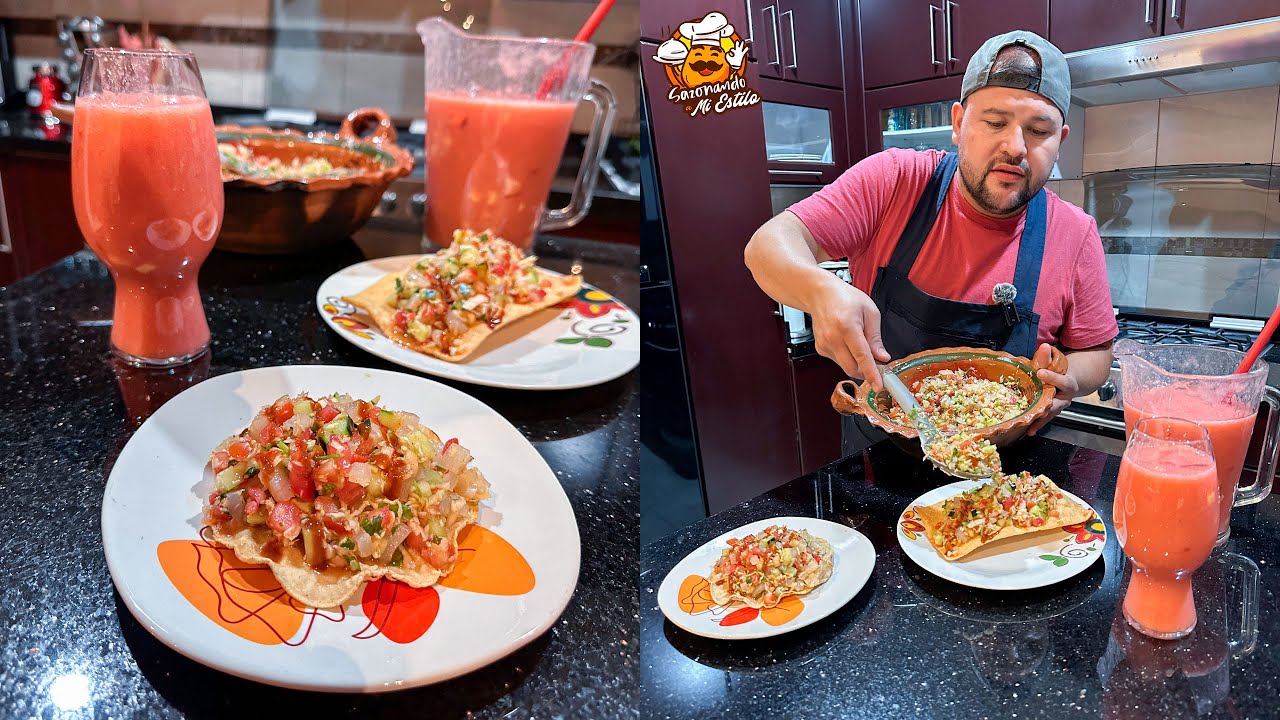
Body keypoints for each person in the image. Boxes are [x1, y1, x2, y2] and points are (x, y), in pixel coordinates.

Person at [744, 30, 1117, 453]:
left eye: (1038, 131)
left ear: (1060, 141)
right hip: (880, 457)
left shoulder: (1075, 232)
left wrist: (1068, 378)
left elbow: (1096, 354)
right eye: (994, 122)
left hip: (1007, 475)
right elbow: (766, 246)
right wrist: (821, 291)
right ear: (958, 124)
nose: (1015, 147)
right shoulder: (894, 181)